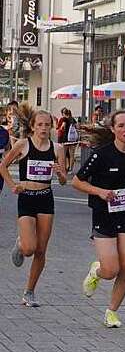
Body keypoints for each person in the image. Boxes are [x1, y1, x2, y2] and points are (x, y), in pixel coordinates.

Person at [72, 110, 125, 328]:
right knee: (111, 270)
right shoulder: (101, 154)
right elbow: (77, 182)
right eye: (122, 126)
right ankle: (96, 271)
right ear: (113, 129)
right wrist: (99, 191)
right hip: (104, 215)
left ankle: (112, 312)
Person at [1, 105, 67, 306]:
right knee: (30, 248)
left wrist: (60, 173)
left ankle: (29, 291)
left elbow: (64, 181)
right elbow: (2, 166)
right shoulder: (23, 144)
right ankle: (21, 244)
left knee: (40, 251)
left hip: (46, 198)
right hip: (27, 198)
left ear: (52, 127)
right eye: (40, 124)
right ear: (33, 126)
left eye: (47, 125)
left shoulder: (58, 149)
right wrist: (13, 185)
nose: (44, 128)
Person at [56, 108, 78, 174]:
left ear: (63, 113)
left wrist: (60, 128)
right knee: (72, 155)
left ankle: (64, 168)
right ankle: (71, 169)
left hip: (66, 139)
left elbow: (63, 126)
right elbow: (77, 127)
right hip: (73, 139)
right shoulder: (73, 119)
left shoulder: (64, 119)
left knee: (64, 154)